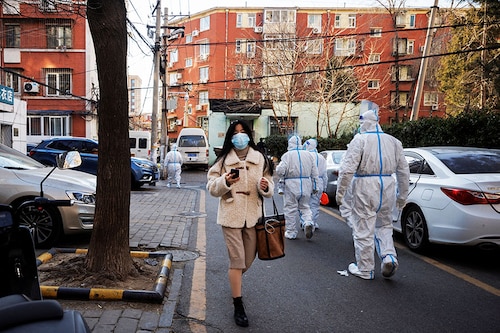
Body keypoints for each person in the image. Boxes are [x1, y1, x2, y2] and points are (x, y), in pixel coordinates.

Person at [206, 120, 274, 327]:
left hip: (253, 216)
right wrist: (225, 182)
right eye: (235, 133)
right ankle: (238, 304)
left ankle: (234, 279)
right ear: (230, 137)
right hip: (231, 215)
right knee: (237, 261)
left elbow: (269, 184)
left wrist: (265, 186)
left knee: (247, 261)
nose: (240, 136)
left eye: (243, 132)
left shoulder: (260, 158)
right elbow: (211, 186)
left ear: (249, 134)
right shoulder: (224, 159)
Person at [336, 109, 410, 280]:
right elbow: (403, 171)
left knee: (364, 229)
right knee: (384, 226)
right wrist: (402, 196)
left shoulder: (360, 140)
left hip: (365, 187)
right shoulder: (394, 142)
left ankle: (365, 268)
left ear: (364, 123)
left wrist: (340, 194)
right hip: (388, 186)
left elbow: (347, 170)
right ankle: (389, 257)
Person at [275, 135, 319, 240]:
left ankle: (291, 232)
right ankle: (308, 222)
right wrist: (315, 186)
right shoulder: (309, 155)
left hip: (291, 184)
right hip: (306, 183)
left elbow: (281, 171)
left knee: (290, 209)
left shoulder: (287, 156)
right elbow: (315, 173)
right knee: (305, 206)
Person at [303, 138, 328, 229]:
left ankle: (305, 222)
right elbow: (325, 174)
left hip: (307, 181)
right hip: (320, 182)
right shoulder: (321, 157)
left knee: (305, 204)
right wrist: (324, 187)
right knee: (315, 204)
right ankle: (312, 222)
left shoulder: (305, 156)